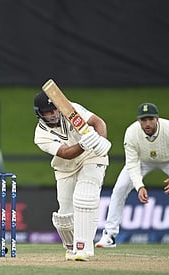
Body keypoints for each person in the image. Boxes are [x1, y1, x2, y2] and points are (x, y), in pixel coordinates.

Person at [33, 91, 111, 261]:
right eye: (48, 112)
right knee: (64, 217)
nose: (53, 114)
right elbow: (66, 153)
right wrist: (83, 144)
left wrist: (101, 141)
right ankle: (71, 246)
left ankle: (83, 248)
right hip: (65, 166)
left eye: (54, 109)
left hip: (92, 156)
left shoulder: (71, 109)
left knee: (84, 197)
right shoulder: (41, 135)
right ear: (40, 114)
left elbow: (97, 122)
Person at [95, 102, 169, 248]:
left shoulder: (168, 129)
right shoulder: (131, 132)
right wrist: (139, 186)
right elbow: (132, 163)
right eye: (143, 120)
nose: (147, 123)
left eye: (150, 119)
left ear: (157, 118)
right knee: (119, 189)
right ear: (138, 120)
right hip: (142, 161)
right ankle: (109, 235)